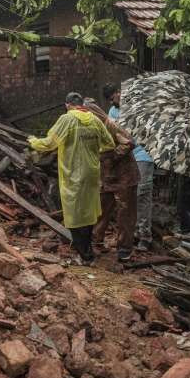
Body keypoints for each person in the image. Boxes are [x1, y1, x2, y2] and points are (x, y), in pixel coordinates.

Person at [28, 92, 115, 264]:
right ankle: (88, 250)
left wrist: (33, 141)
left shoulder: (67, 119)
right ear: (82, 104)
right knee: (89, 212)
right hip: (91, 173)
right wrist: (92, 152)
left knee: (74, 214)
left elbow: (49, 143)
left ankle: (84, 254)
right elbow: (109, 144)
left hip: (73, 173)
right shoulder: (95, 120)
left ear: (67, 105)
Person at [104, 83, 155, 251]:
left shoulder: (138, 105)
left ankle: (144, 236)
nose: (113, 102)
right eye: (110, 100)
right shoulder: (113, 111)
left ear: (119, 92)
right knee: (128, 198)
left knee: (142, 194)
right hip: (125, 157)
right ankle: (129, 236)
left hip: (143, 154)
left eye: (113, 98)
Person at [87, 100, 139, 262]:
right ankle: (96, 241)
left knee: (125, 213)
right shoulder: (89, 129)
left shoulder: (111, 125)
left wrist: (113, 156)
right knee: (101, 209)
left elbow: (129, 142)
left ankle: (124, 248)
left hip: (124, 175)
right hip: (106, 176)